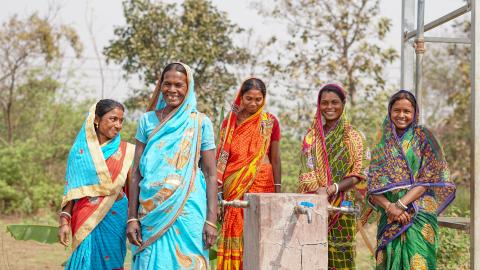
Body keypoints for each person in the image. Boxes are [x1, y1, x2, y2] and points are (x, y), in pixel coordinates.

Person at [126, 62, 218, 269]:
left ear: (189, 87)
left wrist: (211, 220)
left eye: (179, 85)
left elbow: (211, 174)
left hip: (188, 209)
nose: (172, 90)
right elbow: (135, 173)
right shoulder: (147, 121)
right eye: (167, 84)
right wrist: (132, 218)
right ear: (160, 86)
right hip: (151, 210)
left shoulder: (200, 122)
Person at [367, 90, 456, 270]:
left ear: (415, 113)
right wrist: (390, 207)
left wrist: (400, 204)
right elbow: (373, 185)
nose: (401, 115)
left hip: (419, 213)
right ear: (389, 111)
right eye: (397, 110)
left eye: (407, 111)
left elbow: (430, 176)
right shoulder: (381, 142)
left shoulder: (424, 137)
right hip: (389, 215)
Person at [298, 84, 369, 270]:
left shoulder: (353, 136)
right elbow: (306, 170)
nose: (329, 107)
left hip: (343, 207)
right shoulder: (311, 137)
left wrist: (332, 189)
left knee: (341, 256)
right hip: (315, 204)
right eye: (324, 103)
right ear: (318, 105)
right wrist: (319, 192)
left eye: (335, 102)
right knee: (313, 256)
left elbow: (360, 172)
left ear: (343, 103)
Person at [58, 99, 134, 269]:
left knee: (112, 261)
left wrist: (133, 219)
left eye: (121, 120)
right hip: (85, 215)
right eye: (113, 119)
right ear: (97, 120)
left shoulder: (127, 151)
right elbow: (72, 190)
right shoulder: (80, 153)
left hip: (116, 215)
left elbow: (133, 190)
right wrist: (64, 222)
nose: (118, 125)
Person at [216, 77, 282, 270]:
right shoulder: (230, 123)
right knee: (236, 227)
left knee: (261, 231)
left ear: (264, 99)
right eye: (248, 98)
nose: (253, 103)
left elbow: (276, 159)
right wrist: (218, 192)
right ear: (241, 97)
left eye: (258, 99)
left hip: (263, 184)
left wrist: (278, 192)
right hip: (234, 186)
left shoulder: (270, 122)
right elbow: (222, 157)